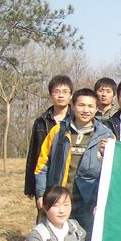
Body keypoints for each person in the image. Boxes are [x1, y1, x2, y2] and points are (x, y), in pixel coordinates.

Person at [34, 88, 114, 241]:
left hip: (88, 201)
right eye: (81, 105)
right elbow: (42, 165)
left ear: (97, 108)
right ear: (72, 106)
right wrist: (41, 193)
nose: (86, 110)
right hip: (59, 200)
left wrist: (106, 153)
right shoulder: (58, 131)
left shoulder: (106, 135)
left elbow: (112, 170)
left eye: (90, 106)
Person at [25, 75, 73, 204]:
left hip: (68, 179)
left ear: (71, 95)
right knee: (44, 212)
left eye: (65, 92)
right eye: (56, 92)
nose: (61, 96)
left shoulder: (75, 120)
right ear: (51, 95)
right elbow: (33, 154)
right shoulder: (41, 121)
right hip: (44, 177)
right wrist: (30, 186)